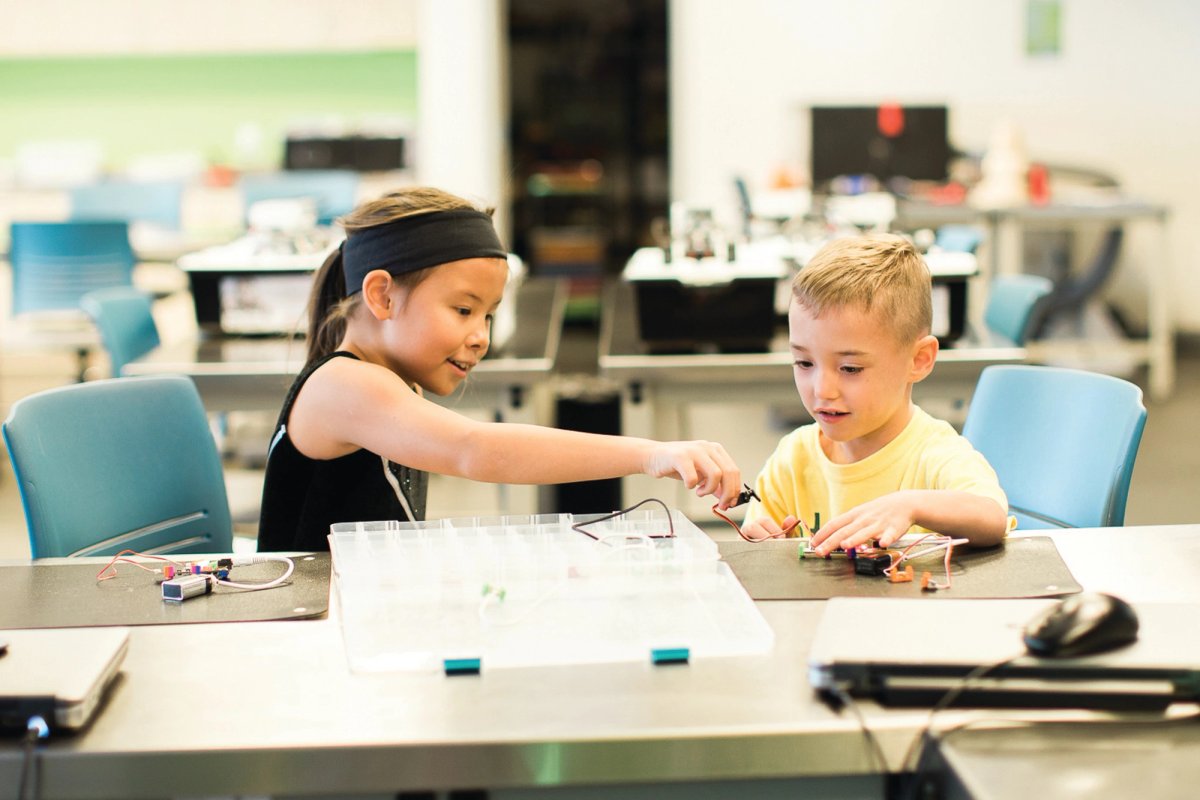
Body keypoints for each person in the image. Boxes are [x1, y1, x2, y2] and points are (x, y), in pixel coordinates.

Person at [257, 187, 742, 551]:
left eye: (488, 314)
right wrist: (652, 454)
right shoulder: (345, 386)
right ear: (382, 295)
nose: (481, 336)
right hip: (312, 646)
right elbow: (475, 450)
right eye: (463, 310)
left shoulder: (393, 382)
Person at [740, 233, 1011, 554]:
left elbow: (991, 517)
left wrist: (911, 505)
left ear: (919, 360)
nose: (822, 389)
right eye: (804, 362)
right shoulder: (792, 458)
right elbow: (760, 545)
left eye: (850, 368)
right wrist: (760, 541)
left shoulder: (935, 453)